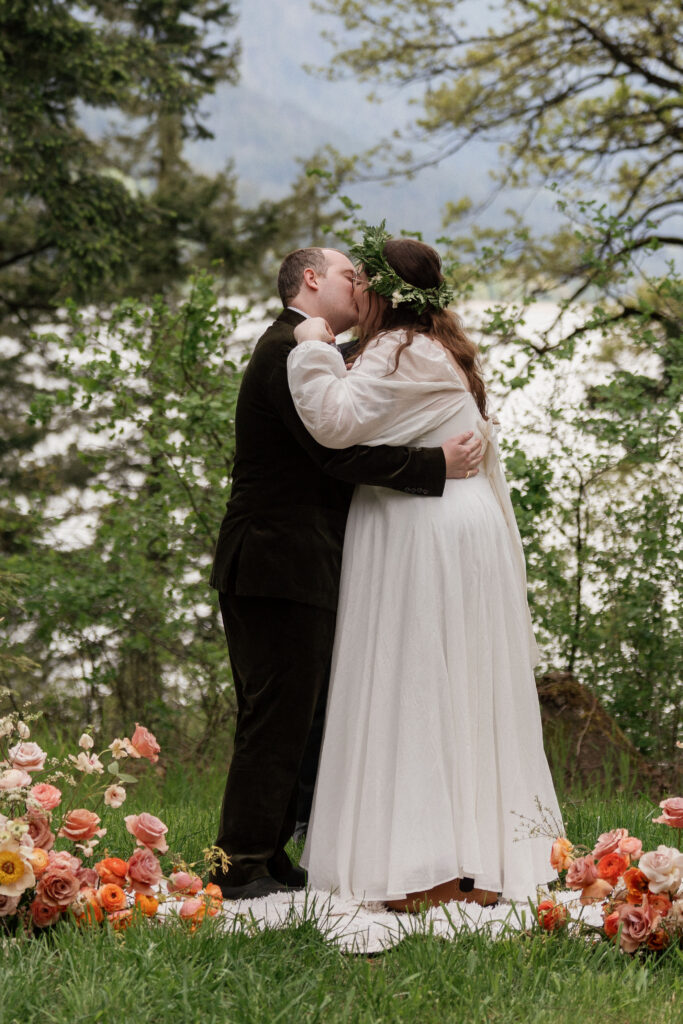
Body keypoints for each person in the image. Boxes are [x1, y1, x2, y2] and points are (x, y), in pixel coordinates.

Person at [287, 228, 562, 909]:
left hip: (424, 531)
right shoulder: (437, 346)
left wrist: (312, 349)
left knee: (417, 686)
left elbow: (333, 421)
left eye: (361, 280)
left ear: (381, 293)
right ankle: (473, 861)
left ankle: (428, 867)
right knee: (459, 685)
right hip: (456, 524)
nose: (351, 289)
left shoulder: (397, 350)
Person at [208, 246, 484, 899]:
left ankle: (271, 853)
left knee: (299, 715)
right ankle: (239, 861)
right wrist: (432, 468)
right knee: (273, 715)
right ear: (310, 279)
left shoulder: (314, 351)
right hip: (272, 561)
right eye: (344, 274)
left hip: (299, 561)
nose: (356, 284)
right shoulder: (284, 349)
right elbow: (336, 454)